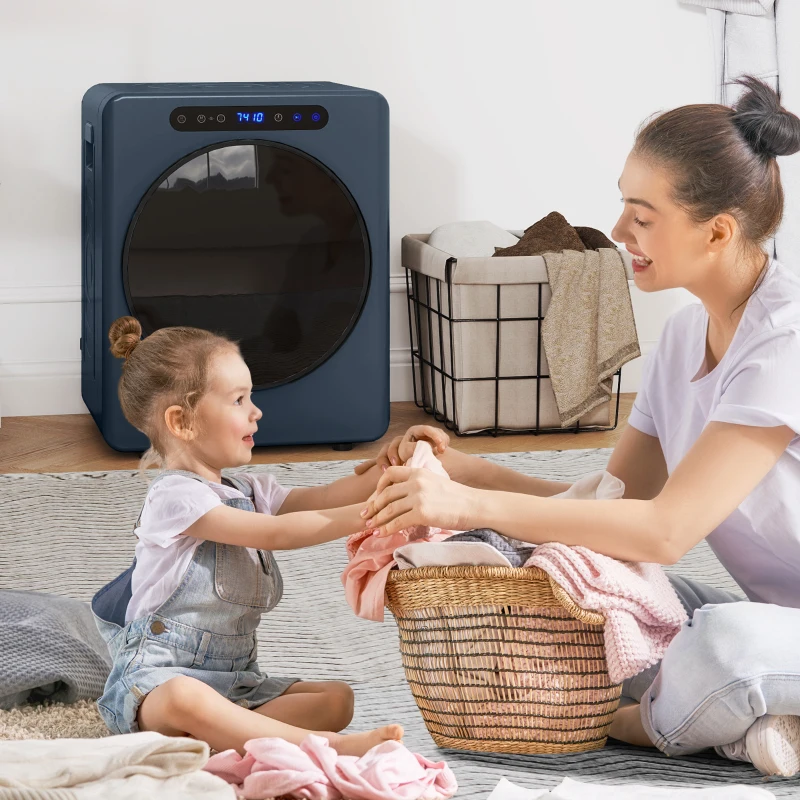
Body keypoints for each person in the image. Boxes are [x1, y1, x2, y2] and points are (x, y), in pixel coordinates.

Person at [357, 76, 800, 777]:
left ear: (717, 230)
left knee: (720, 642)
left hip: (757, 634)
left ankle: (647, 724)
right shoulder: (685, 339)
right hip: (787, 625)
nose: (619, 232)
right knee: (576, 584)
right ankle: (744, 724)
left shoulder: (785, 343)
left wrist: (468, 502)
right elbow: (609, 509)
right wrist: (470, 475)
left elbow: (666, 532)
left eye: (642, 215)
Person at [91, 316, 402, 757]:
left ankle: (223, 737)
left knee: (337, 698)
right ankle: (329, 748)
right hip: (158, 684)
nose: (255, 411)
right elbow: (276, 533)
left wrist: (391, 464)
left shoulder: (247, 492)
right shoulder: (175, 497)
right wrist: (377, 513)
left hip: (235, 684)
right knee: (186, 697)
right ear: (182, 422)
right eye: (239, 400)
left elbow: (327, 496)